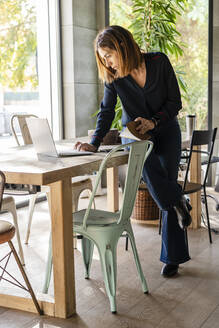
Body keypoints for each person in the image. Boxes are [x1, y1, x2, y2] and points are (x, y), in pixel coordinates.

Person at [75, 25, 192, 277]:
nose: (107, 63)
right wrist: (93, 143)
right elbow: (106, 111)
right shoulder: (114, 78)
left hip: (166, 130)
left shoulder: (159, 61)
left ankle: (173, 257)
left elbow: (175, 102)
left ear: (121, 47)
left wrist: (155, 121)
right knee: (161, 189)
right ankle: (179, 200)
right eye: (103, 59)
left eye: (108, 56)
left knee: (168, 183)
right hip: (136, 137)